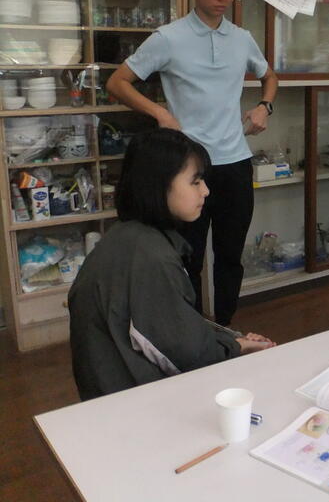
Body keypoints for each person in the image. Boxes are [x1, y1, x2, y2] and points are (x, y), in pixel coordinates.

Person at [106, 0, 278, 326]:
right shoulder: (168, 38)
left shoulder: (242, 39)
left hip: (235, 163)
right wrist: (160, 113)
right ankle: (191, 330)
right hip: (188, 169)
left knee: (230, 255)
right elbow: (117, 82)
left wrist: (264, 106)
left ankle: (225, 329)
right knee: (187, 257)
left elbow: (269, 76)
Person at [68, 129, 275, 401]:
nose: (206, 191)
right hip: (131, 402)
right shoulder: (151, 258)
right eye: (195, 182)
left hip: (110, 388)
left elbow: (174, 326)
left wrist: (234, 341)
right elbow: (188, 354)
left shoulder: (128, 237)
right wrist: (235, 348)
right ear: (158, 184)